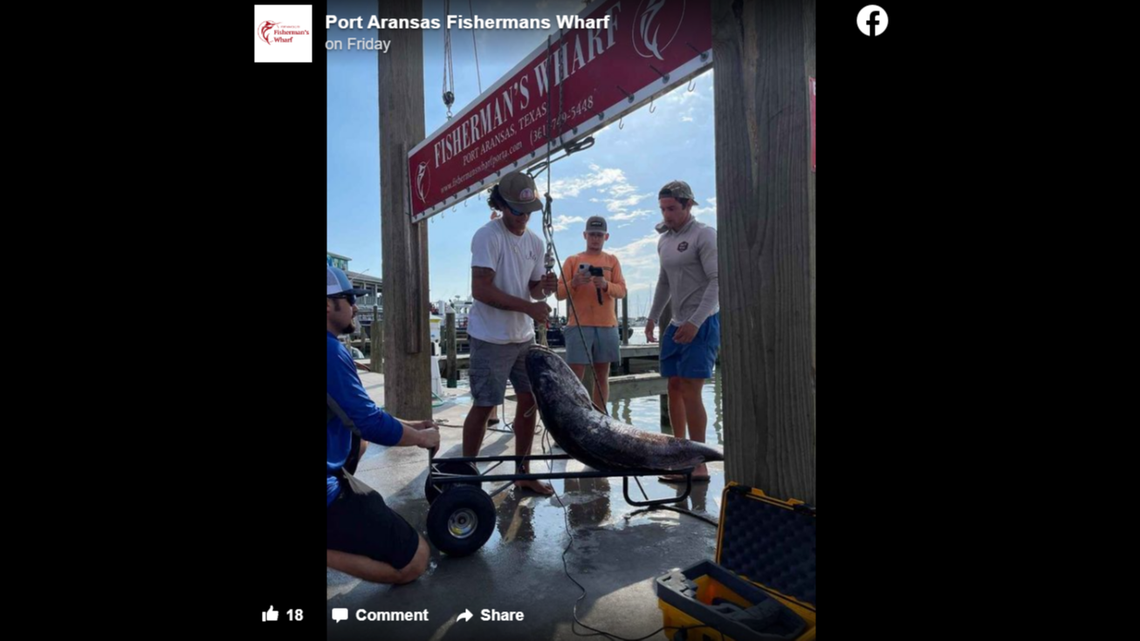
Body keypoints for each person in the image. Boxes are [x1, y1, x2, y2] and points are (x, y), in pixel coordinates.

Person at [326, 264, 441, 583]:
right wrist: (423, 439)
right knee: (415, 561)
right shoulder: (330, 351)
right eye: (349, 298)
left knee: (357, 442)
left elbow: (357, 413)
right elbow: (369, 423)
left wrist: (412, 425)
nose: (356, 306)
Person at [462, 170, 559, 495]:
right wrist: (529, 306)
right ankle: (467, 475)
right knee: (485, 403)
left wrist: (543, 290)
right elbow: (481, 289)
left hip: (523, 337)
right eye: (517, 211)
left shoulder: (535, 241)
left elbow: (533, 290)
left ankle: (523, 472)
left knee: (529, 401)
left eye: (528, 212)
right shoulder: (486, 236)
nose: (522, 218)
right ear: (501, 204)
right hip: (490, 337)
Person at [645, 180, 720, 483]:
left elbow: (717, 281)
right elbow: (664, 281)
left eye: (672, 209)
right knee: (673, 387)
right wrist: (651, 317)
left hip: (702, 322)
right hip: (675, 322)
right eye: (663, 209)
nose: (667, 215)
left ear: (689, 205)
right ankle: (679, 454)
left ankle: (698, 462)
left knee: (692, 391)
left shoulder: (704, 235)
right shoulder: (663, 240)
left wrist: (696, 322)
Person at [555, 215, 627, 407]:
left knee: (602, 374)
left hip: (607, 325)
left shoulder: (612, 260)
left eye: (599, 235)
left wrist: (605, 285)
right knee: (575, 374)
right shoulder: (573, 260)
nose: (596, 239)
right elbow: (559, 293)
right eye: (592, 235)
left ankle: (601, 415)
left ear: (606, 237)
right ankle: (576, 414)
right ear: (585, 235)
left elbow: (621, 291)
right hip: (578, 325)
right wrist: (575, 282)